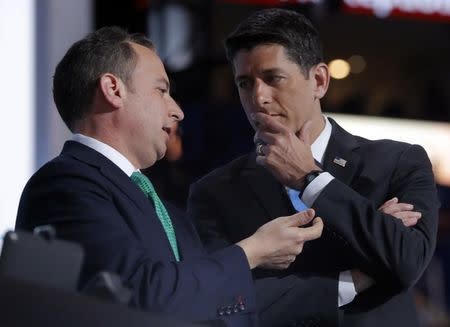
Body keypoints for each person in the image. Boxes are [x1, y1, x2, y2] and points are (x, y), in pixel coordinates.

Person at [15, 26, 327, 326]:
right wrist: (252, 251)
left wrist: (344, 286)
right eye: (162, 90)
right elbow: (140, 298)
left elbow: (200, 300)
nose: (177, 111)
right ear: (113, 89)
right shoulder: (65, 186)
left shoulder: (169, 213)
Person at [188, 8, 440, 327]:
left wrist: (312, 180)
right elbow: (224, 305)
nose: (258, 97)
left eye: (273, 78)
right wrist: (351, 279)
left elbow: (408, 261)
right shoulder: (213, 192)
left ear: (318, 81)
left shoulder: (398, 162)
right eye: (244, 83)